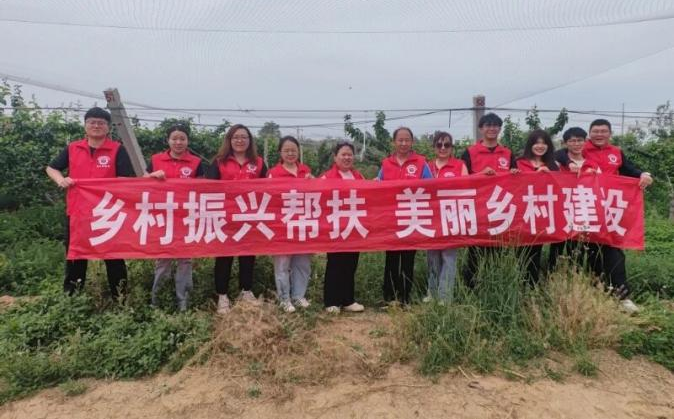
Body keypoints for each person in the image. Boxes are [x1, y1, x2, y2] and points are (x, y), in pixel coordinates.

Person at [45, 107, 134, 299]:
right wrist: (61, 180)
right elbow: (52, 168)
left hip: (107, 213)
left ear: (108, 127)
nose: (96, 126)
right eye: (92, 122)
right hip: (78, 212)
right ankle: (72, 297)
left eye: (101, 123)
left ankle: (120, 298)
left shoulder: (117, 149)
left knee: (113, 257)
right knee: (76, 255)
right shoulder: (73, 148)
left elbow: (126, 179)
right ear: (85, 125)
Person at [581, 119, 653, 313]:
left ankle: (622, 296)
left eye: (603, 131)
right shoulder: (580, 149)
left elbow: (630, 169)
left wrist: (643, 174)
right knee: (589, 252)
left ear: (610, 134)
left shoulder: (616, 152)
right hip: (585, 208)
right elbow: (562, 160)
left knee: (614, 251)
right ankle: (594, 293)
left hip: (610, 210)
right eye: (596, 131)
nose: (599, 134)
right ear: (589, 133)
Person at [207, 124, 268, 315]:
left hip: (249, 217)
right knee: (224, 256)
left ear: (250, 141)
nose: (240, 140)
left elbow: (269, 188)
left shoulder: (259, 163)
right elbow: (208, 188)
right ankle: (222, 295)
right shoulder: (219, 162)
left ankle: (246, 291)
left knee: (248, 255)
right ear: (229, 140)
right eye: (236, 137)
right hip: (225, 217)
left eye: (244, 137)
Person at [145, 124, 205, 311]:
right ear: (168, 140)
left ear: (188, 141)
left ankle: (183, 301)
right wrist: (151, 176)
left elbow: (204, 188)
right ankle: (158, 300)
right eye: (174, 138)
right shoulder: (155, 160)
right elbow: (142, 182)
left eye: (182, 139)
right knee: (163, 259)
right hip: (162, 218)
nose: (178, 142)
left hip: (187, 218)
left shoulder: (196, 162)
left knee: (185, 260)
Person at [460, 113, 517, 288]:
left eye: (495, 125)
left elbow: (516, 181)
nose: (492, 128)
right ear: (481, 129)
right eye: (488, 125)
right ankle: (471, 287)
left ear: (500, 129)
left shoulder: (507, 153)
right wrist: (480, 175)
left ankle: (494, 286)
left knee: (498, 250)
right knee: (476, 249)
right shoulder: (470, 152)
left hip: (500, 209)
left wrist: (514, 174)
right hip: (478, 208)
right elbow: (462, 180)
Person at [377, 127, 433, 305]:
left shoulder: (421, 163)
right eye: (400, 140)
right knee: (391, 257)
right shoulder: (386, 164)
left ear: (412, 142)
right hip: (391, 218)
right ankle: (390, 296)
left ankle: (405, 296)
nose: (403, 143)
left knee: (408, 258)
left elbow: (432, 187)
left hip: (412, 218)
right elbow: (377, 186)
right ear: (394, 142)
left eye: (407, 140)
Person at [268, 136, 313, 313]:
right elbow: (269, 198)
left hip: (303, 224)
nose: (290, 153)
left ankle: (299, 296)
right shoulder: (274, 173)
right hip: (282, 225)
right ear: (280, 152)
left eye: (293, 150)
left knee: (302, 262)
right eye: (286, 150)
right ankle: (284, 298)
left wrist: (313, 182)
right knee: (282, 263)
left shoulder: (305, 171)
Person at [320, 142, 366, 314]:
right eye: (343, 154)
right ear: (335, 157)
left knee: (350, 263)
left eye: (350, 154)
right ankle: (331, 300)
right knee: (335, 263)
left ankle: (348, 299)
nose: (347, 157)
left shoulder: (358, 176)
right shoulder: (326, 178)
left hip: (353, 225)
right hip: (335, 227)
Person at [425, 131, 468, 303]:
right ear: (434, 147)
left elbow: (468, 187)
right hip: (431, 217)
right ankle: (432, 292)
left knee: (448, 257)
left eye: (447, 145)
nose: (443, 148)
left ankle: (445, 296)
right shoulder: (427, 167)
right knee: (432, 256)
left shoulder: (459, 165)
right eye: (439, 145)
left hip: (451, 216)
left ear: (452, 147)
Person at [515, 129, 559, 285]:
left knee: (536, 249)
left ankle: (532, 284)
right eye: (536, 143)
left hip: (541, 213)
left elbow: (560, 188)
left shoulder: (553, 165)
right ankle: (519, 283)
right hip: (522, 212)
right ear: (530, 145)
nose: (540, 146)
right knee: (520, 249)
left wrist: (550, 174)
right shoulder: (519, 162)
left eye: (544, 143)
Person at [549, 127, 588, 272]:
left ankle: (575, 277)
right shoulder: (558, 161)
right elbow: (555, 156)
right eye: (572, 141)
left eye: (579, 140)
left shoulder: (590, 163)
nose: (576, 144)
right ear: (565, 143)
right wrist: (569, 163)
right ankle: (551, 275)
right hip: (561, 209)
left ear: (585, 142)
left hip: (581, 210)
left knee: (577, 247)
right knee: (557, 246)